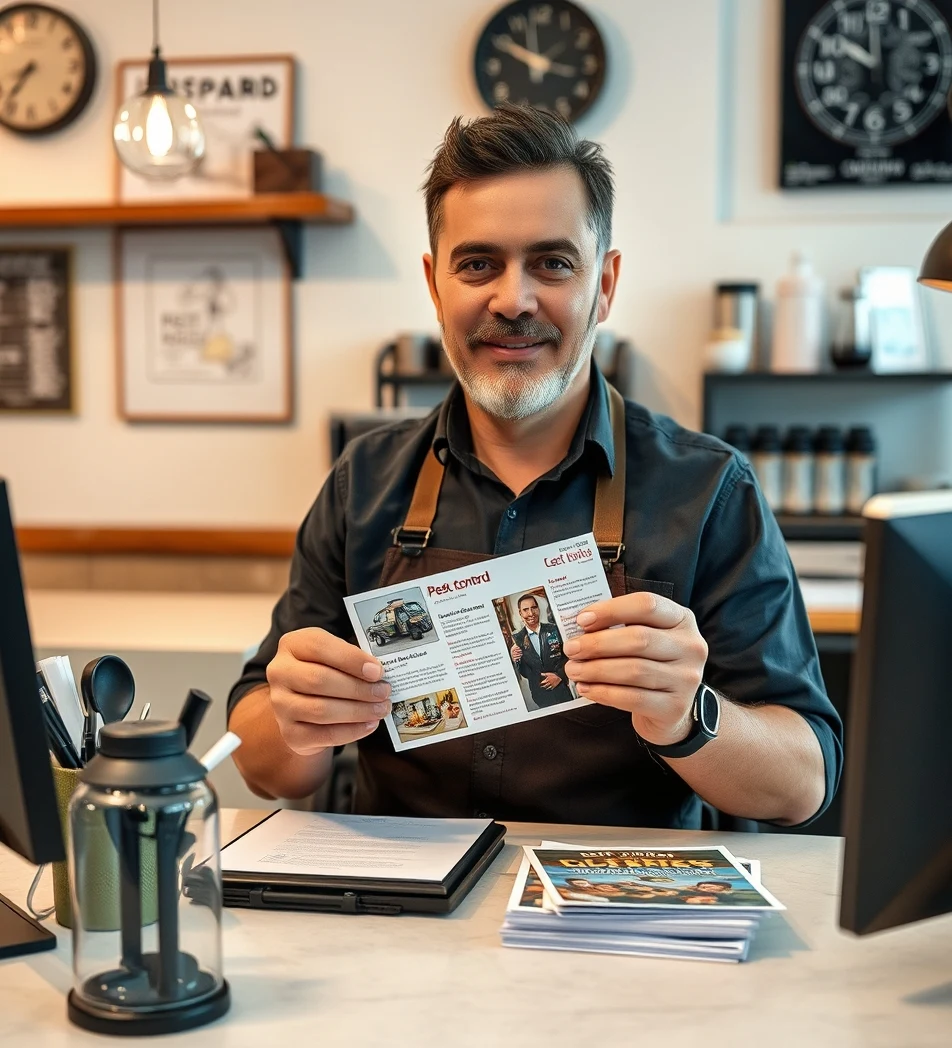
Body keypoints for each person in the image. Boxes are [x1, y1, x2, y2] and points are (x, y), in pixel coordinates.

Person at [228, 103, 842, 829]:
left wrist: (689, 714)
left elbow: (802, 786)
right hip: (405, 914)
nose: (514, 300)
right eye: (478, 263)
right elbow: (265, 767)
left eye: (552, 263)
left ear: (605, 285)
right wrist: (298, 721)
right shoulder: (363, 483)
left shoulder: (709, 489)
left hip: (621, 917)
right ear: (435, 286)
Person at [509, 593, 574, 708]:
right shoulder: (518, 639)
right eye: (525, 610)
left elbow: (568, 656)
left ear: (538, 609)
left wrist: (559, 676)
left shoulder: (554, 629)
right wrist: (516, 659)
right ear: (520, 613)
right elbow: (525, 673)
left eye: (533, 608)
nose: (531, 613)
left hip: (561, 689)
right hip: (540, 695)